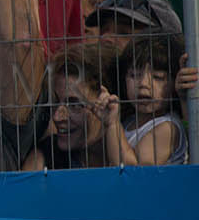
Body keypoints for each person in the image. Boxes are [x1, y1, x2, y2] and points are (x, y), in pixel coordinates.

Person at [22, 41, 136, 170]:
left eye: (74, 104)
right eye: (55, 102)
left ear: (111, 102)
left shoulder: (142, 148)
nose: (57, 117)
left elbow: (130, 178)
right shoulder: (44, 159)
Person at [121, 35, 189, 166]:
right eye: (134, 75)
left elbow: (137, 170)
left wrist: (112, 125)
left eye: (158, 77)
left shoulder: (168, 127)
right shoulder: (128, 122)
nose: (143, 84)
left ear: (175, 82)